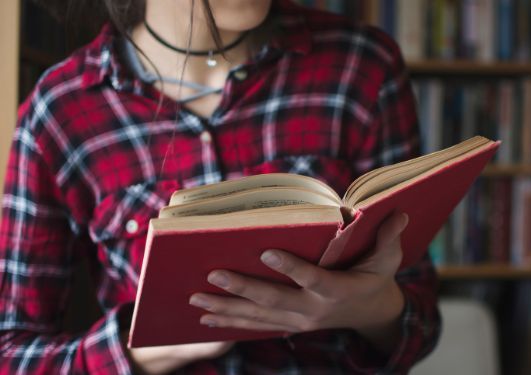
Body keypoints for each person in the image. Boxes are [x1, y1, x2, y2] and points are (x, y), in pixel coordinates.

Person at [0, 0, 440, 373]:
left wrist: (374, 307)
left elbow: (421, 325)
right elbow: (11, 351)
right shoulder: (60, 112)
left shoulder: (362, 66)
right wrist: (136, 353)